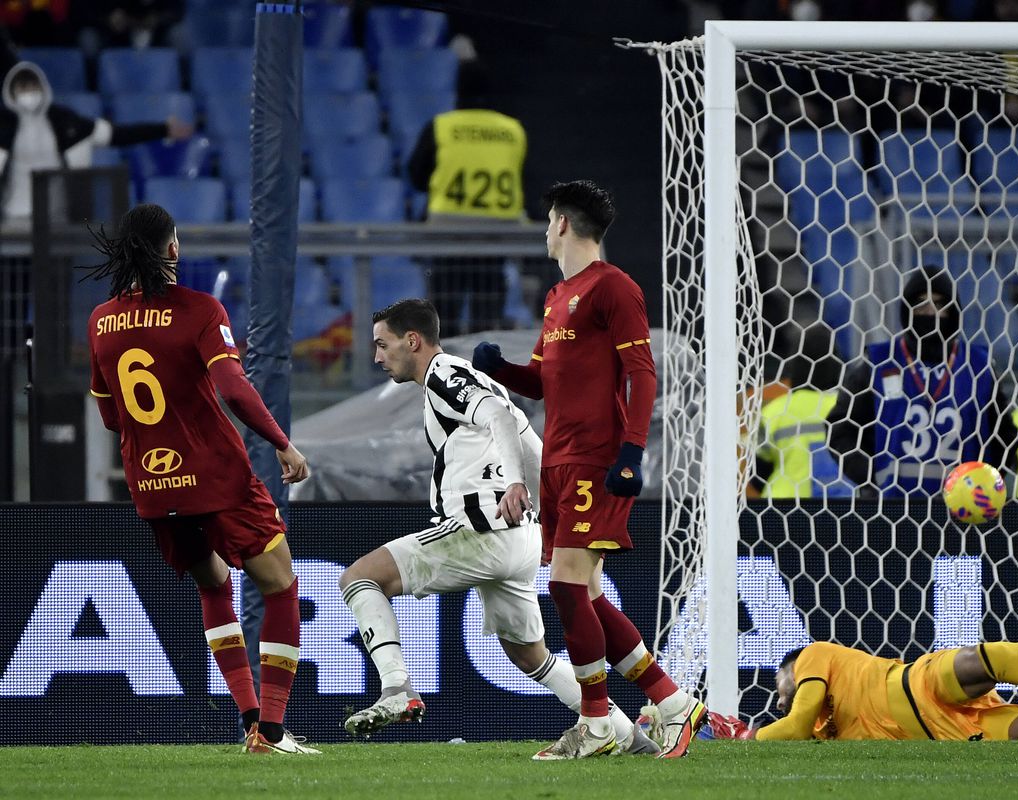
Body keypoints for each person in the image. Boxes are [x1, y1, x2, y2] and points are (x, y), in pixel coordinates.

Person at [338, 299, 658, 755]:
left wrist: (513, 484)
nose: (377, 357)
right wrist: (552, 515)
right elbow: (527, 437)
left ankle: (396, 689)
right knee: (531, 656)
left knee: (359, 577)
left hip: (481, 528)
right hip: (519, 534)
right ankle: (629, 736)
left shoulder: (445, 374)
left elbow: (501, 418)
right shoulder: (467, 378)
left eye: (382, 344)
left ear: (412, 341)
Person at [472, 180, 706, 759]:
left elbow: (642, 372)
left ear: (561, 225)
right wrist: (499, 368)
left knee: (565, 586)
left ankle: (597, 722)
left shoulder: (614, 288)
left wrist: (632, 452)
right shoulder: (555, 297)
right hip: (556, 458)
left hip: (596, 458)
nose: (544, 230)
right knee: (588, 596)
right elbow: (541, 380)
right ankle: (674, 705)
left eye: (547, 221)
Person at [85, 203, 317, 755]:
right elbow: (235, 389)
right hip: (215, 474)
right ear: (172, 249)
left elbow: (110, 413)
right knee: (281, 585)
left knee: (213, 585)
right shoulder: (199, 310)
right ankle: (274, 730)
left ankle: (250, 722)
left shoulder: (100, 321)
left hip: (151, 483)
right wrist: (283, 444)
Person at [706, 640, 1018, 741]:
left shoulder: (813, 656)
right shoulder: (822, 735)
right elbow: (799, 731)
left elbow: (792, 723)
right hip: (945, 734)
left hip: (912, 683)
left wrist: (750, 739)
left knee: (977, 661)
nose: (781, 697)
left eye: (780, 687)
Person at [827, 265, 1016, 496]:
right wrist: (870, 476)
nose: (930, 313)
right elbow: (840, 429)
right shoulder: (879, 363)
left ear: (953, 311)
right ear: (907, 310)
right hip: (889, 511)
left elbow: (1005, 436)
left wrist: (985, 484)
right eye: (921, 304)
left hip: (963, 511)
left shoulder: (979, 367)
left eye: (939, 305)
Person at [406, 62, 527, 337]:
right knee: (486, 319)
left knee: (444, 316)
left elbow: (416, 176)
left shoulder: (442, 127)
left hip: (450, 234)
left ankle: (443, 373)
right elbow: (522, 177)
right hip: (496, 236)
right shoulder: (513, 131)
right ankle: (481, 375)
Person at [0, 60, 193, 222]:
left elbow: (117, 135)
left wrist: (163, 129)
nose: (28, 94)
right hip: (14, 214)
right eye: (23, 88)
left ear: (43, 88)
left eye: (33, 87)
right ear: (12, 91)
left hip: (56, 218)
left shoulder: (66, 121)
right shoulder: (3, 125)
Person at [749, 323, 849, 499]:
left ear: (794, 366)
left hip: (782, 510)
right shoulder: (847, 407)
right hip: (843, 508)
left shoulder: (774, 411)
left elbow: (758, 476)